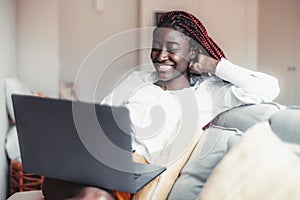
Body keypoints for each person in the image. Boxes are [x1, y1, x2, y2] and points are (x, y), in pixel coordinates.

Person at [42, 10, 280, 200]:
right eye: (156, 46)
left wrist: (213, 65)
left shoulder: (208, 94)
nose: (160, 55)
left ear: (193, 52)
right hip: (97, 161)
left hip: (131, 171)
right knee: (56, 182)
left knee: (94, 197)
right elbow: (101, 117)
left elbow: (267, 89)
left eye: (172, 49)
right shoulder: (137, 80)